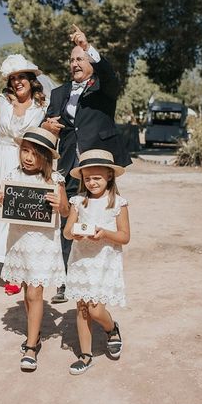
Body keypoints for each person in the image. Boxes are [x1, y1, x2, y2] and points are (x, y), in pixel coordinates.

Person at [41, 25, 132, 303]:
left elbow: (109, 74)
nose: (74, 64)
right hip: (69, 162)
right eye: (71, 60)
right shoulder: (59, 93)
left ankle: (100, 275)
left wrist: (87, 45)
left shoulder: (105, 88)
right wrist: (46, 125)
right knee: (69, 217)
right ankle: (68, 280)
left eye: (80, 59)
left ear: (90, 61)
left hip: (99, 162)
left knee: (99, 218)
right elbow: (46, 124)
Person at [0, 54, 48, 296]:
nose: (16, 82)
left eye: (21, 77)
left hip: (28, 161)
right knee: (2, 210)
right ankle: (9, 267)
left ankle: (23, 266)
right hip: (2, 160)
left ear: (31, 80)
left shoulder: (41, 106)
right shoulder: (2, 101)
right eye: (13, 78)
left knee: (21, 213)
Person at [0, 127, 69, 371]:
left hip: (42, 243)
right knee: (27, 292)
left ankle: (31, 345)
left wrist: (61, 205)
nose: (27, 157)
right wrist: (1, 198)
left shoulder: (55, 180)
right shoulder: (13, 174)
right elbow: (6, 200)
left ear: (45, 157)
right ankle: (33, 330)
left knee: (35, 293)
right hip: (19, 241)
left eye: (34, 154)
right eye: (24, 151)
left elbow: (67, 211)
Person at [62, 149, 130, 375]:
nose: (91, 182)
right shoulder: (78, 201)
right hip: (81, 260)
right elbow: (67, 232)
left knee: (96, 310)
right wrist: (75, 234)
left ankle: (111, 328)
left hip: (104, 263)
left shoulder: (118, 203)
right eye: (87, 178)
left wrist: (105, 234)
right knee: (82, 308)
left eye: (97, 178)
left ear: (109, 176)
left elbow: (125, 236)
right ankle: (86, 354)